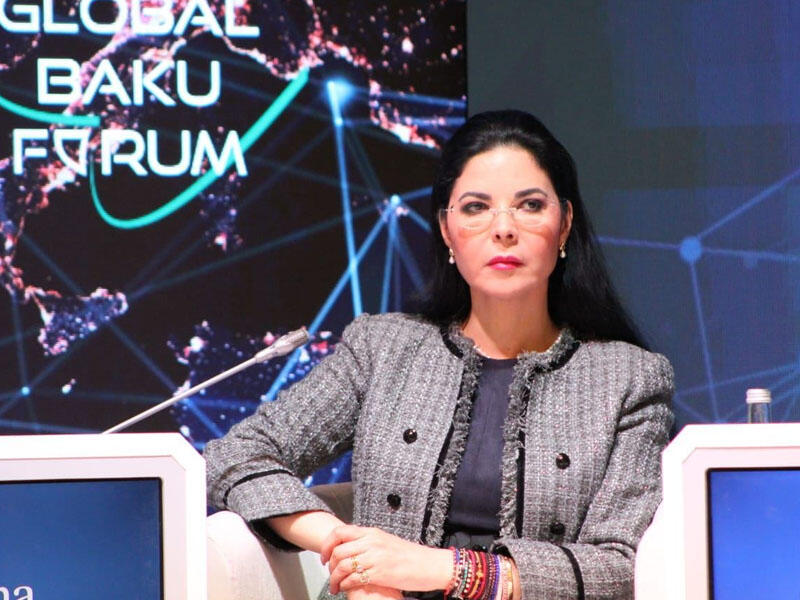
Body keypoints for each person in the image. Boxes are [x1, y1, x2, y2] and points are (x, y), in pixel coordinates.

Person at [204, 110, 674, 600]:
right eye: (476, 207)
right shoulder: (383, 349)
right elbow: (234, 455)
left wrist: (448, 570)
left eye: (530, 205)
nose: (504, 228)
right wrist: (350, 550)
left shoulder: (630, 379)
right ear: (447, 231)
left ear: (564, 225)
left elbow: (617, 566)